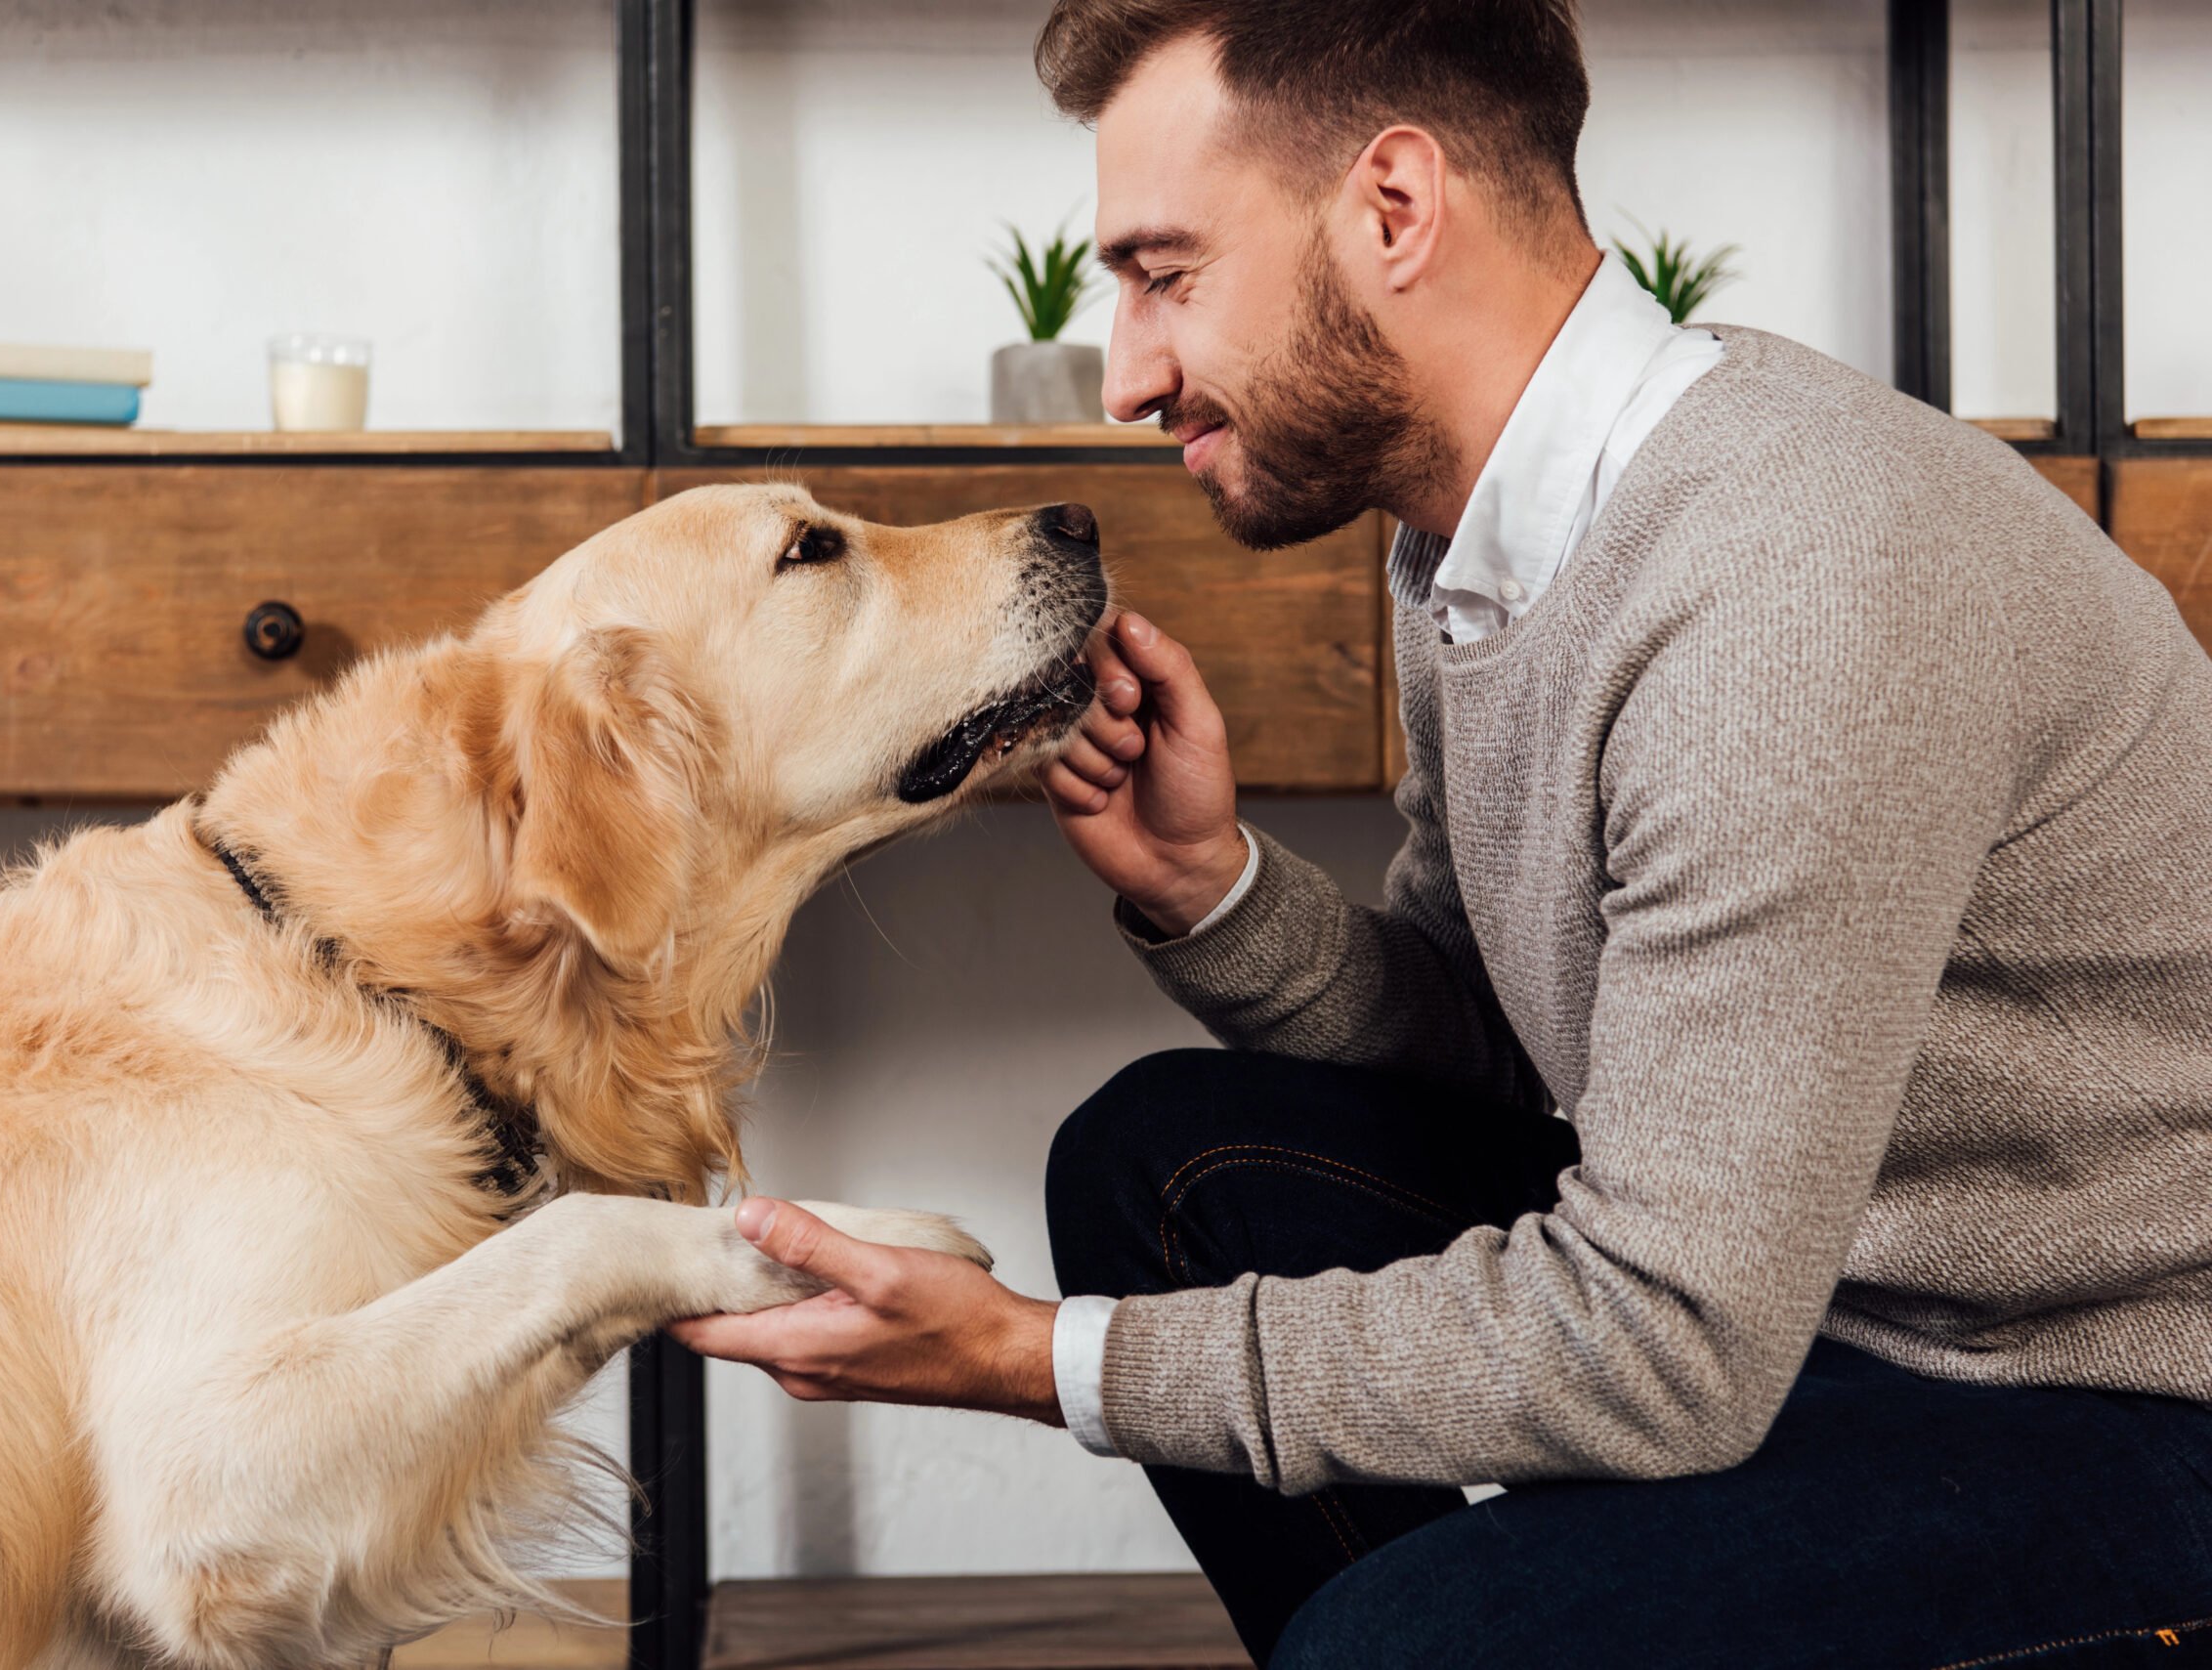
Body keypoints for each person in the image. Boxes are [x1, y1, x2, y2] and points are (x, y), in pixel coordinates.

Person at [670, 1, 2212, 1661]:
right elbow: (1509, 1038)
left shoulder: (1788, 587)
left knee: (1402, 1647)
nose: (1125, 373)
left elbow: (1664, 1343)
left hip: (2100, 1382)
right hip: (1802, 1301)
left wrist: (1034, 1359)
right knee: (1163, 1167)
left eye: (1165, 274)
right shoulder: (1479, 528)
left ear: (1393, 209)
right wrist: (1214, 892)